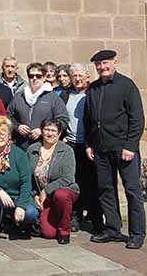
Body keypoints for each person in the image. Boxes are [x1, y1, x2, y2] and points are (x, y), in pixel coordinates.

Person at [84, 50, 146, 250]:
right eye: (98, 65)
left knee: (132, 191)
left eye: (105, 63)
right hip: (101, 149)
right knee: (106, 190)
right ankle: (112, 229)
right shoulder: (92, 89)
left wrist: (130, 146)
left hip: (123, 149)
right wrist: (88, 144)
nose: (102, 67)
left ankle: (137, 233)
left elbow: (137, 119)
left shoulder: (127, 86)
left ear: (113, 62)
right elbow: (88, 120)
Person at [0, 116, 39, 241]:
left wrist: (21, 205)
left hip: (17, 196)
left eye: (2, 134)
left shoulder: (19, 154)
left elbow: (26, 182)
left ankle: (18, 224)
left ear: (9, 136)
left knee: (31, 213)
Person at [60, 63, 102, 232]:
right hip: (71, 144)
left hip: (90, 145)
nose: (76, 79)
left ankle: (96, 218)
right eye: (74, 76)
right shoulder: (65, 95)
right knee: (73, 182)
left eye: (80, 76)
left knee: (92, 183)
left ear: (87, 78)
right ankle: (75, 216)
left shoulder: (93, 93)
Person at [27, 118, 80, 244]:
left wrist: (46, 190)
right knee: (48, 233)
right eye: (47, 130)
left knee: (61, 195)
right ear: (41, 131)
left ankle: (64, 231)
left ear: (59, 133)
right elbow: (27, 177)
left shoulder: (66, 150)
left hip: (64, 191)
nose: (50, 133)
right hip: (43, 197)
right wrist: (34, 194)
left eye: (53, 131)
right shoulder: (32, 150)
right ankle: (53, 218)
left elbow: (68, 178)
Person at [6, 62, 69, 150]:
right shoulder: (19, 96)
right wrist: (17, 126)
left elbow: (63, 121)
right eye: (31, 76)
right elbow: (8, 116)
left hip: (44, 145)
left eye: (38, 76)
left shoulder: (53, 98)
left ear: (44, 78)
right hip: (21, 145)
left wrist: (43, 130)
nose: (34, 78)